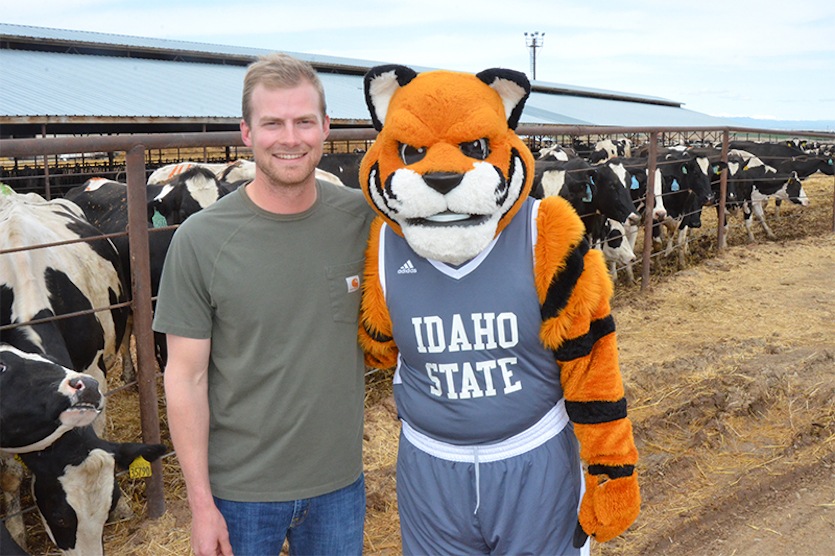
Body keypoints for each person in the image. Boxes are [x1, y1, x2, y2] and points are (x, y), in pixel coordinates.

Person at [154, 52, 375, 556]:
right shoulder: (200, 240)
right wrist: (201, 506)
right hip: (238, 496)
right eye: (272, 123)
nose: (290, 138)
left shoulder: (362, 221)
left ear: (326, 127)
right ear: (247, 133)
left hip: (339, 485)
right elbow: (184, 378)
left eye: (303, 122)